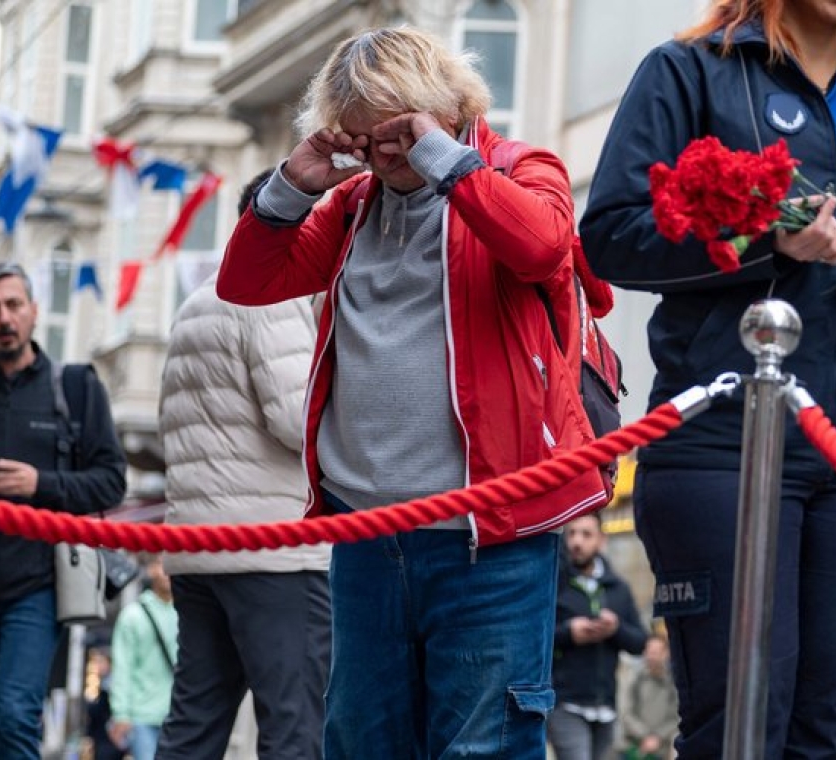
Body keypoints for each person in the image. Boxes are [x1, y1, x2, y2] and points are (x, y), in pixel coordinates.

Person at [579, 1, 836, 756]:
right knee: (740, 718)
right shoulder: (689, 70)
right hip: (724, 441)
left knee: (835, 722)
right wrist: (765, 242)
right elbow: (611, 237)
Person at [215, 27, 608, 758]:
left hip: (490, 535)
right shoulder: (353, 202)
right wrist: (296, 182)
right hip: (367, 535)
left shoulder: (520, 167)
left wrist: (446, 161)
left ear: (446, 108)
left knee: (482, 745)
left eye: (397, 134)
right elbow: (247, 282)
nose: (384, 156)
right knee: (365, 742)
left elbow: (544, 249)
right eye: (365, 140)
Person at [154, 170, 332, 760]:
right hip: (272, 549)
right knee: (295, 723)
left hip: (198, 547)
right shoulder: (271, 295)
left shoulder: (195, 304)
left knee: (195, 724)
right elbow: (297, 419)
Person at [0, 262, 127, 759]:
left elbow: (110, 483)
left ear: (34, 311)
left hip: (37, 586)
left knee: (14, 715)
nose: (4, 318)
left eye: (13, 305)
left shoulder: (76, 387)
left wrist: (38, 483)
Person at [549, 513, 646, 760]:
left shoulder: (618, 589)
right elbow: (535, 637)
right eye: (571, 533)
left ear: (601, 540)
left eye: (586, 534)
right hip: (565, 703)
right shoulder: (554, 583)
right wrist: (569, 633)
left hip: (606, 706)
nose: (576, 542)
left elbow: (640, 642)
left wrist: (615, 629)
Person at [107, 554, 177, 760]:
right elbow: (122, 667)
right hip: (141, 717)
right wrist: (121, 714)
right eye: (162, 565)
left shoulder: (190, 616)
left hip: (179, 716)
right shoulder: (132, 616)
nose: (168, 572)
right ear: (151, 569)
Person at [618, 634, 679, 760]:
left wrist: (657, 737)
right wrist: (645, 736)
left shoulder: (674, 683)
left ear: (666, 653)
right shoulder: (634, 677)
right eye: (649, 651)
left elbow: (676, 716)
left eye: (656, 652)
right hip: (632, 747)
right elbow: (626, 711)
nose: (651, 656)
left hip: (660, 750)